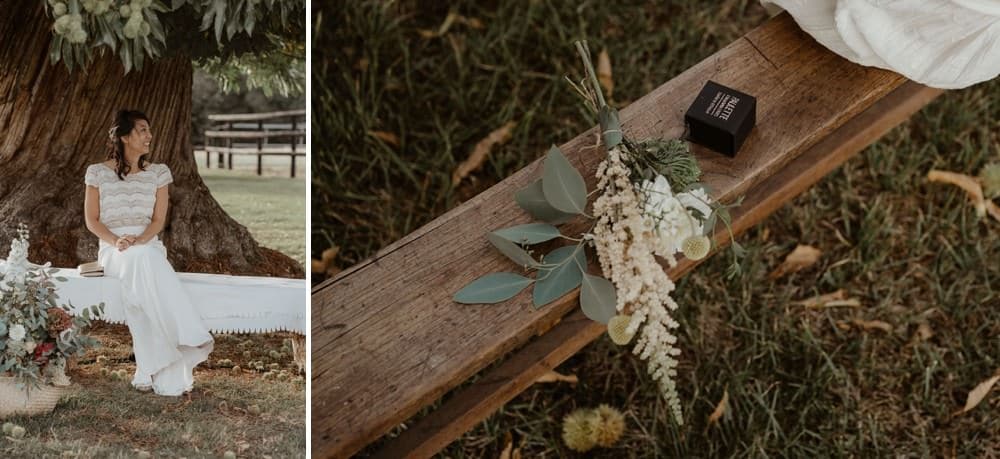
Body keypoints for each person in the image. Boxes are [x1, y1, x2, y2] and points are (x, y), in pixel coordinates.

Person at [83, 109, 214, 396]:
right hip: (113, 247)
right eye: (142, 130)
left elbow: (158, 221)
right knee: (137, 266)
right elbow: (92, 220)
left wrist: (139, 239)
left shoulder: (158, 173)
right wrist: (117, 241)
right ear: (124, 136)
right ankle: (162, 355)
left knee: (142, 268)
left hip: (147, 244)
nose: (149, 136)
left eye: (149, 130)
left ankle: (147, 368)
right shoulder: (97, 173)